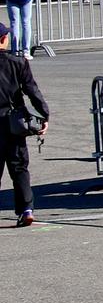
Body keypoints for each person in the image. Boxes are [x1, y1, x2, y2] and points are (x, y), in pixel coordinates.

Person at [0, 24, 50, 226]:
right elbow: (32, 91)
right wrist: (44, 115)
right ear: (4, 39)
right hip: (13, 121)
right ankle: (26, 209)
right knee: (19, 167)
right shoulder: (17, 62)